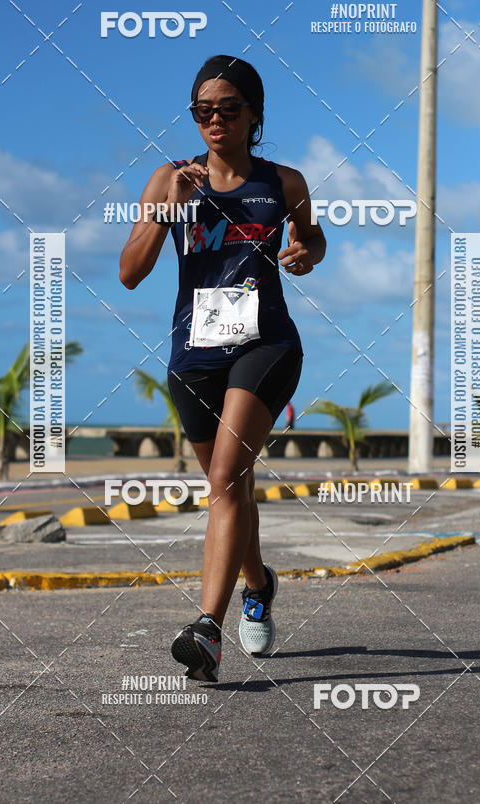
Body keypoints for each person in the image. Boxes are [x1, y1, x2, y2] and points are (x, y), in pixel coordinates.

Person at [119, 54, 326, 682]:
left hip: (266, 345)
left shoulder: (283, 182)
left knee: (230, 473)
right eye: (203, 110)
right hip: (193, 355)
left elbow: (312, 236)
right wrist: (169, 211)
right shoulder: (170, 178)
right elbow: (130, 273)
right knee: (227, 487)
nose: (214, 119)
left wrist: (305, 251)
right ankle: (258, 583)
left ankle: (205, 629)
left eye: (228, 108)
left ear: (253, 115)